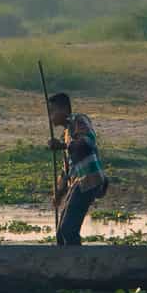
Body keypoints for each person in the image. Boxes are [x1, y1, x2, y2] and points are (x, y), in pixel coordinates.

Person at [49, 98, 107, 246]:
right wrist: (59, 193)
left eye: (52, 111)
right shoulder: (66, 134)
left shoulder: (78, 120)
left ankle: (77, 263)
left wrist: (62, 145)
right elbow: (66, 170)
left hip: (89, 180)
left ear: (63, 110)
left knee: (68, 230)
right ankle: (65, 261)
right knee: (61, 233)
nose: (50, 116)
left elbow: (87, 141)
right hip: (78, 183)